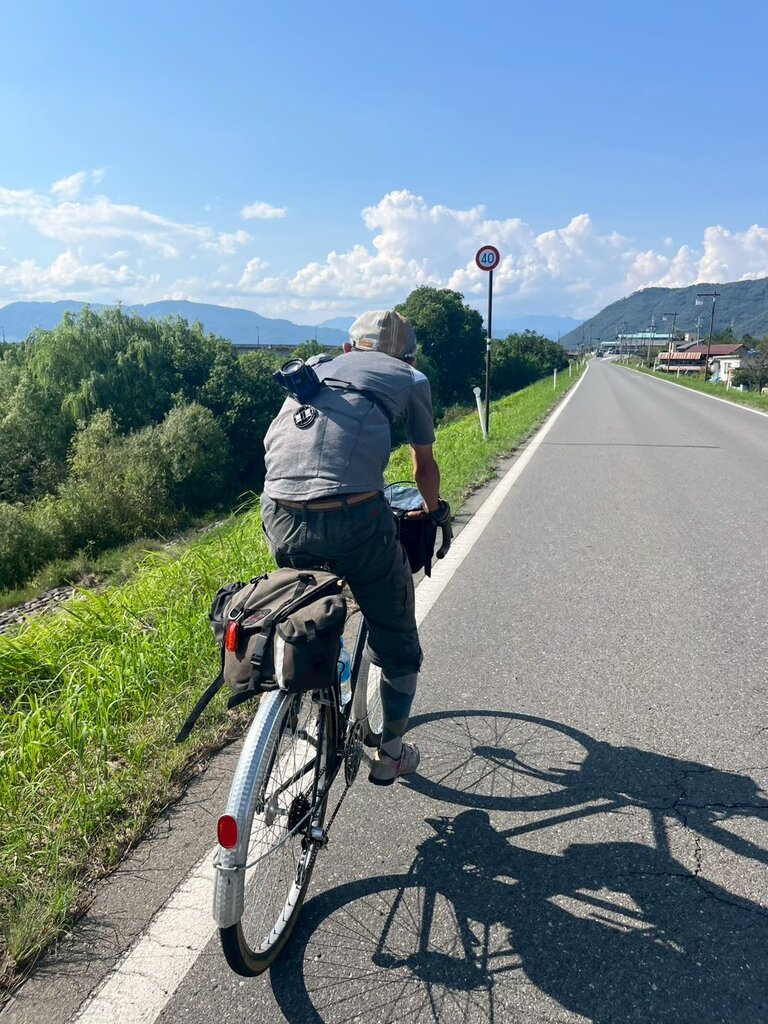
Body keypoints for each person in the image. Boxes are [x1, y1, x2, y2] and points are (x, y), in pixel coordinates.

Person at [261, 309, 450, 785]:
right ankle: (391, 755)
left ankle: (318, 682)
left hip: (278, 512)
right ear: (408, 357)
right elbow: (423, 465)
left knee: (307, 598)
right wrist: (436, 512)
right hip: (355, 521)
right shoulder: (409, 377)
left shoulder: (316, 367)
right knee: (398, 640)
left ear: (349, 348)